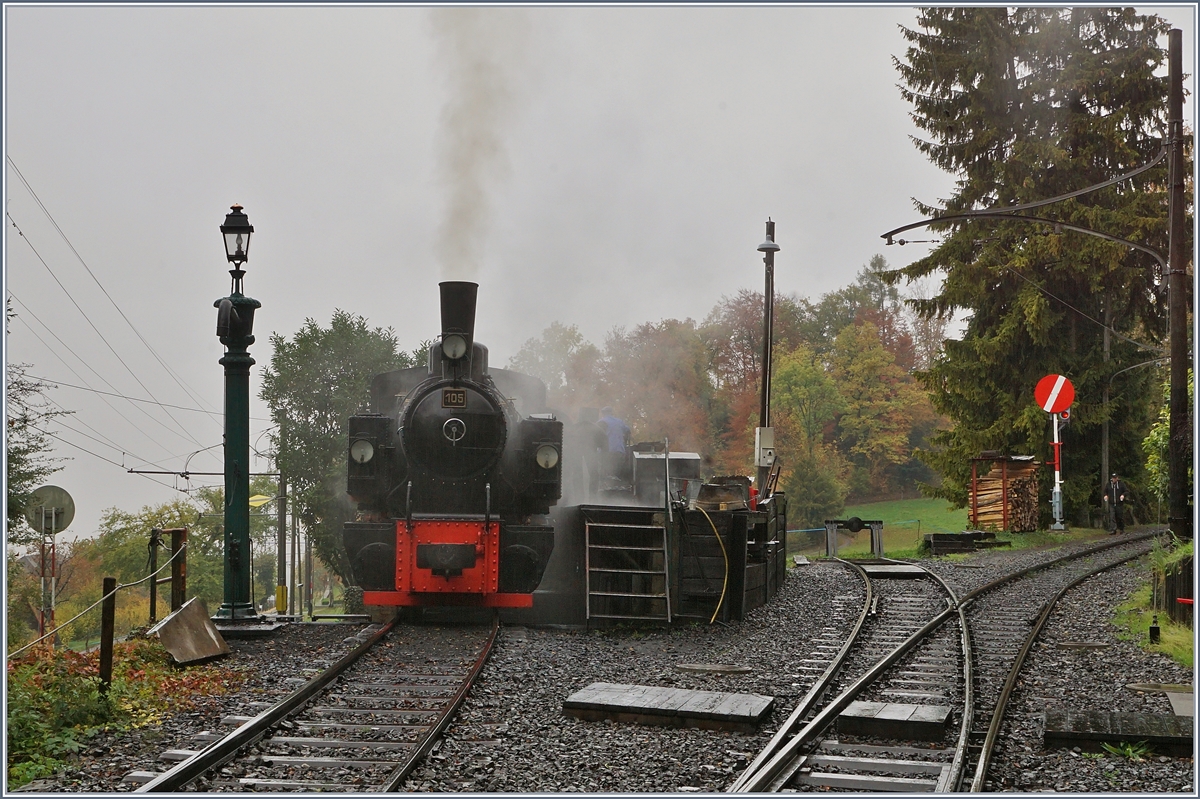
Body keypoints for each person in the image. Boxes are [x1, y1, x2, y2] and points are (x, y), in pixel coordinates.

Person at [598, 406, 631, 480]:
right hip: (618, 449)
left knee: (604, 471)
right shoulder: (619, 421)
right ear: (611, 413)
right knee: (615, 471)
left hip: (605, 450)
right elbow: (627, 429)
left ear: (603, 413)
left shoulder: (601, 421)